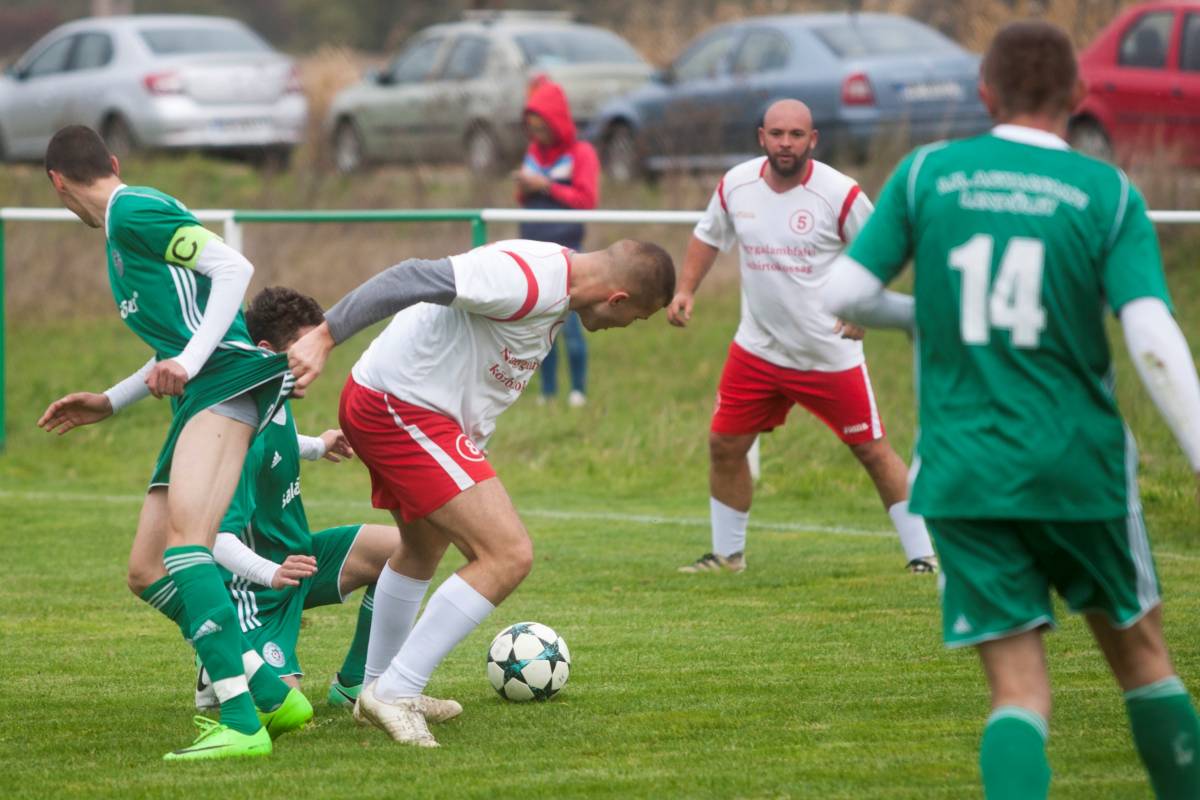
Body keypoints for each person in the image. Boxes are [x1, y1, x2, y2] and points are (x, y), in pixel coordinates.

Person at [824, 20, 1200, 799]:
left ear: (984, 93)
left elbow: (844, 295)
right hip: (1079, 469)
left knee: (1019, 692)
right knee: (1143, 662)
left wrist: (924, 312)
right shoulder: (1108, 192)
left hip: (963, 472)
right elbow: (1153, 337)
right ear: (1080, 93)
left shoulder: (930, 173)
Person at [286, 238, 676, 746]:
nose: (630, 328)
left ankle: (374, 686)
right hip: (399, 406)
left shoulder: (559, 288)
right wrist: (326, 335)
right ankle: (397, 690)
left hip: (405, 406)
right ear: (618, 299)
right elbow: (410, 276)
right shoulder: (527, 278)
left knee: (422, 548)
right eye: (639, 318)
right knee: (508, 554)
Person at [36, 125, 311, 761]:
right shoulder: (121, 231)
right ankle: (272, 691)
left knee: (189, 545)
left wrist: (188, 361)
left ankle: (242, 722)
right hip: (202, 387)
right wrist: (111, 400)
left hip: (223, 381)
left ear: (57, 183)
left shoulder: (134, 208)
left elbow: (232, 267)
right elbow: (177, 339)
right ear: (111, 158)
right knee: (147, 569)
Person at [666, 99, 937, 576]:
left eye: (795, 135)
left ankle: (924, 555)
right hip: (757, 350)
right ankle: (727, 556)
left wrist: (864, 309)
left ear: (813, 140)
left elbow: (884, 249)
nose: (785, 143)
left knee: (872, 450)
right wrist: (686, 289)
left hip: (827, 354)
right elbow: (709, 235)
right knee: (724, 445)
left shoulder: (840, 194)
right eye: (776, 134)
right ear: (761, 137)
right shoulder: (737, 185)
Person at [185, 286, 462, 724]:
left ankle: (357, 684)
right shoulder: (238, 432)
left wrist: (317, 445)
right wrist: (269, 573)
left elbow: (279, 442)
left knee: (402, 549)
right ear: (266, 351)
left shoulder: (270, 392)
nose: (317, 359)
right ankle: (222, 658)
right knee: (290, 710)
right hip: (255, 589)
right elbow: (211, 538)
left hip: (298, 560)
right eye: (305, 348)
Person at [515, 76, 598, 408]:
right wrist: (525, 185)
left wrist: (545, 185)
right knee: (540, 330)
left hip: (568, 255)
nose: (537, 134)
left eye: (542, 126)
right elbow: (521, 196)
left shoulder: (582, 153)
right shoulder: (533, 151)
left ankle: (577, 391)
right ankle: (547, 393)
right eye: (533, 127)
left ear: (556, 121)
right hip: (533, 253)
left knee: (572, 327)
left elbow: (586, 199)